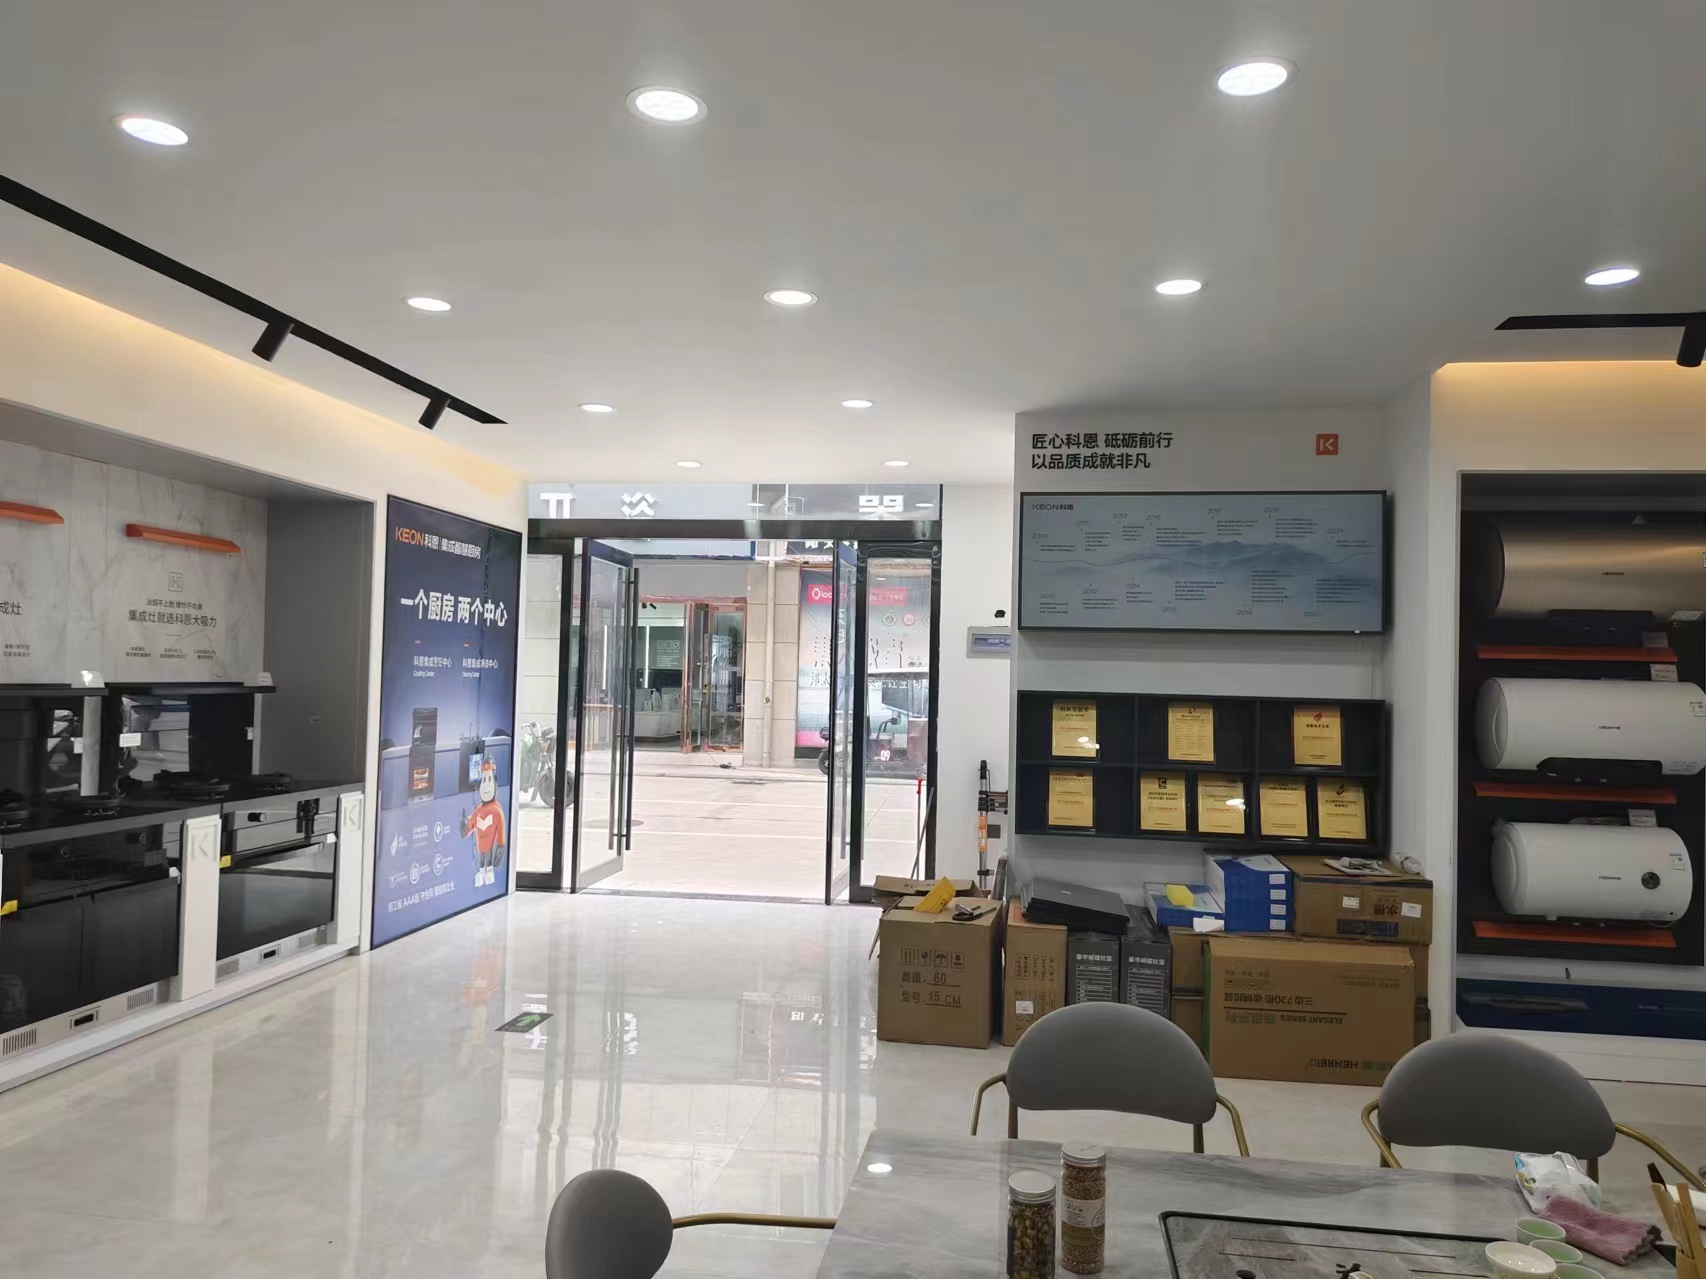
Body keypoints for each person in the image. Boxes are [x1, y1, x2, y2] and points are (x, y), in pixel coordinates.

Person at [460, 755, 507, 886]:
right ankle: (481, 873)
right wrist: (464, 826)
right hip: (480, 849)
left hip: (490, 849)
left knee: (489, 864)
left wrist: (500, 847)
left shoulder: (496, 810)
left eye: (489, 779)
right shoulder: (478, 811)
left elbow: (501, 829)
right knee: (481, 862)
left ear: (495, 782)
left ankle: (489, 872)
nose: (486, 786)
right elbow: (471, 824)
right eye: (484, 780)